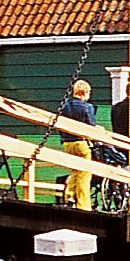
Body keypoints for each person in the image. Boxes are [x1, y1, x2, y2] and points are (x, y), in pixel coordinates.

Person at [58, 78, 99, 209]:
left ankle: (69, 195)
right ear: (86, 92)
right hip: (81, 143)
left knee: (75, 171)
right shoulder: (87, 107)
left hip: (67, 143)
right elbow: (90, 126)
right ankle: (84, 205)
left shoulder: (64, 106)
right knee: (84, 175)